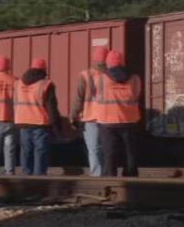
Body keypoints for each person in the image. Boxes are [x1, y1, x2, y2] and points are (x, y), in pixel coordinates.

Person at [95, 50, 142, 177]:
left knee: (109, 152)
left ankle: (110, 177)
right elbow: (137, 95)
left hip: (106, 121)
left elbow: (98, 96)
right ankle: (131, 175)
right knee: (129, 151)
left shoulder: (101, 78)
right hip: (129, 120)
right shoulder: (134, 78)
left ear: (108, 63)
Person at [14, 58, 62, 176]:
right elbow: (51, 107)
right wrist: (57, 126)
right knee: (40, 151)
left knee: (26, 150)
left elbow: (15, 102)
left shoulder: (18, 83)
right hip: (39, 122)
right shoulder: (46, 84)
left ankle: (26, 176)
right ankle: (39, 177)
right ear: (44, 69)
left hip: (23, 122)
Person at [70, 46, 108, 176]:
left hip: (90, 116)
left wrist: (73, 115)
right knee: (105, 147)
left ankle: (97, 174)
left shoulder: (85, 75)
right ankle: (106, 173)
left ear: (95, 59)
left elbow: (78, 97)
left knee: (94, 148)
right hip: (106, 117)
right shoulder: (110, 75)